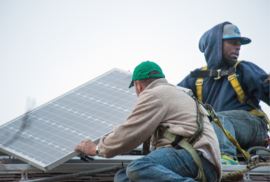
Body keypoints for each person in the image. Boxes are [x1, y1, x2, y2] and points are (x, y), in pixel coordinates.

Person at [75, 61, 222, 182]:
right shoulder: (179, 93)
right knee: (122, 177)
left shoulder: (154, 94)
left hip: (195, 159)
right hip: (206, 166)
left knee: (137, 167)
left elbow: (129, 133)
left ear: (138, 85)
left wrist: (96, 149)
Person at [178, 22, 270, 165]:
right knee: (208, 123)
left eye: (239, 44)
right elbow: (172, 98)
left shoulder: (243, 69)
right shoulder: (197, 78)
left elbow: (267, 91)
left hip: (254, 128)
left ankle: (225, 159)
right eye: (233, 43)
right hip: (218, 129)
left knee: (217, 120)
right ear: (215, 45)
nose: (238, 47)